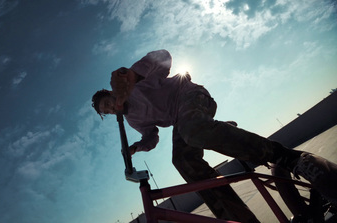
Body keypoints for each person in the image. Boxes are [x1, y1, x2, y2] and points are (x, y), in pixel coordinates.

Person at [92, 49, 337, 222]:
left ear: (113, 94)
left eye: (109, 102)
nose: (112, 108)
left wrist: (134, 75)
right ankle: (237, 217)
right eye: (107, 110)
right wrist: (138, 147)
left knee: (191, 130)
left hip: (190, 96)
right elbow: (152, 135)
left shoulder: (134, 85)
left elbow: (163, 57)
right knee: (182, 161)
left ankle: (284, 157)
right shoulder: (132, 119)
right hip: (181, 121)